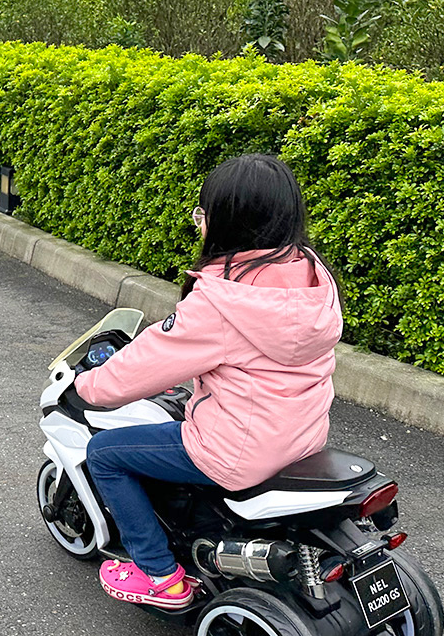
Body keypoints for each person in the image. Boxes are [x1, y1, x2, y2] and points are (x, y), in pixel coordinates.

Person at [73, 153, 343, 610]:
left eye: (204, 213)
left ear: (228, 223)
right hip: (304, 437)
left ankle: (158, 575)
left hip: (237, 450)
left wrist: (88, 387)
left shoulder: (222, 300)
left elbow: (144, 363)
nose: (200, 223)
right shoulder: (312, 277)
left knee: (106, 455)